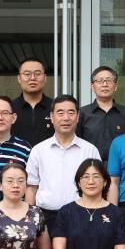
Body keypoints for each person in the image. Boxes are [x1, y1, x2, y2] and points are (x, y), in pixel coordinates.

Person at [25, 95, 101, 235]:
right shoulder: (39, 150)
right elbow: (31, 188)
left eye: (71, 113)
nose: (66, 118)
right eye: (60, 113)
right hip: (45, 216)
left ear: (78, 117)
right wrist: (30, 220)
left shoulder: (90, 150)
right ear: (52, 117)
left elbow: (99, 186)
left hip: (82, 215)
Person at [52, 158, 125, 249]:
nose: (91, 181)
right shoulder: (65, 212)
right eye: (86, 177)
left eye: (96, 176)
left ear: (105, 181)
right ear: (79, 183)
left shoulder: (116, 213)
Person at [0, 163, 50, 249]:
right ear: (0, 185)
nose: (16, 185)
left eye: (20, 181)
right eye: (10, 181)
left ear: (26, 185)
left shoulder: (36, 213)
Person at [76, 65, 125, 161]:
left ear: (115, 86)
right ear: (92, 86)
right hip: (91, 167)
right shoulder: (82, 113)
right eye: (100, 80)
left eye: (109, 80)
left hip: (122, 166)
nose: (105, 84)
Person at [12, 58, 53, 146]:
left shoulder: (55, 107)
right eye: (27, 74)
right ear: (19, 78)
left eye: (37, 74)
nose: (33, 78)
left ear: (45, 78)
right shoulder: (10, 108)